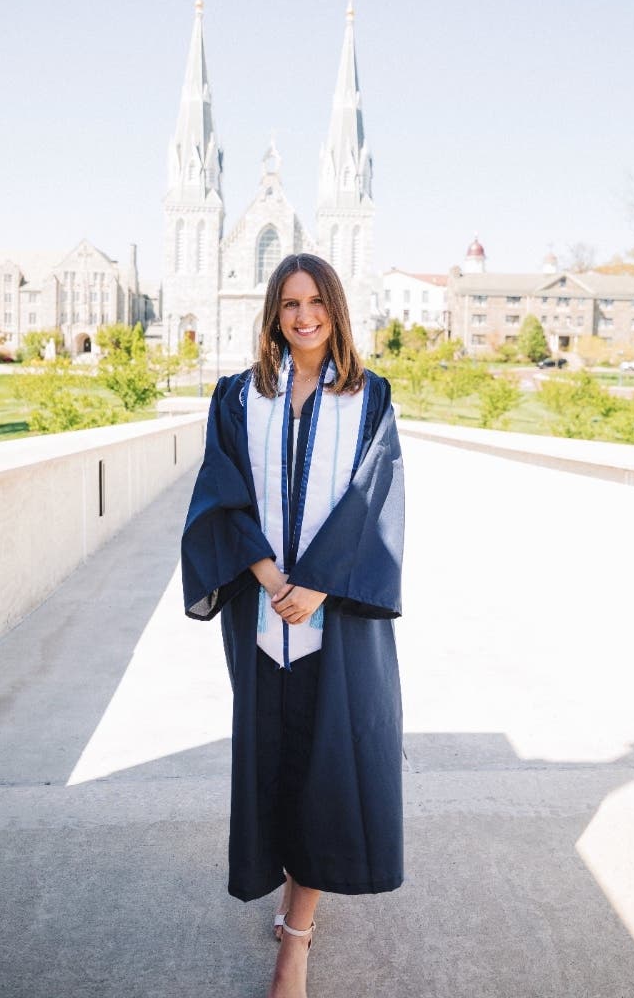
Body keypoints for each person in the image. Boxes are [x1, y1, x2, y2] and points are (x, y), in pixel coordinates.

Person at [181, 253, 405, 998]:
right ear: (273, 315)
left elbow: (374, 495)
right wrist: (271, 576)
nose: (303, 316)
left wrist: (317, 584)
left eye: (315, 302)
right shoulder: (239, 397)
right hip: (262, 615)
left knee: (327, 769)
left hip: (333, 621)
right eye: (289, 304)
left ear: (336, 310)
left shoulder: (368, 399)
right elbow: (221, 489)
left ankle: (297, 943)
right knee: (273, 766)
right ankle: (284, 897)